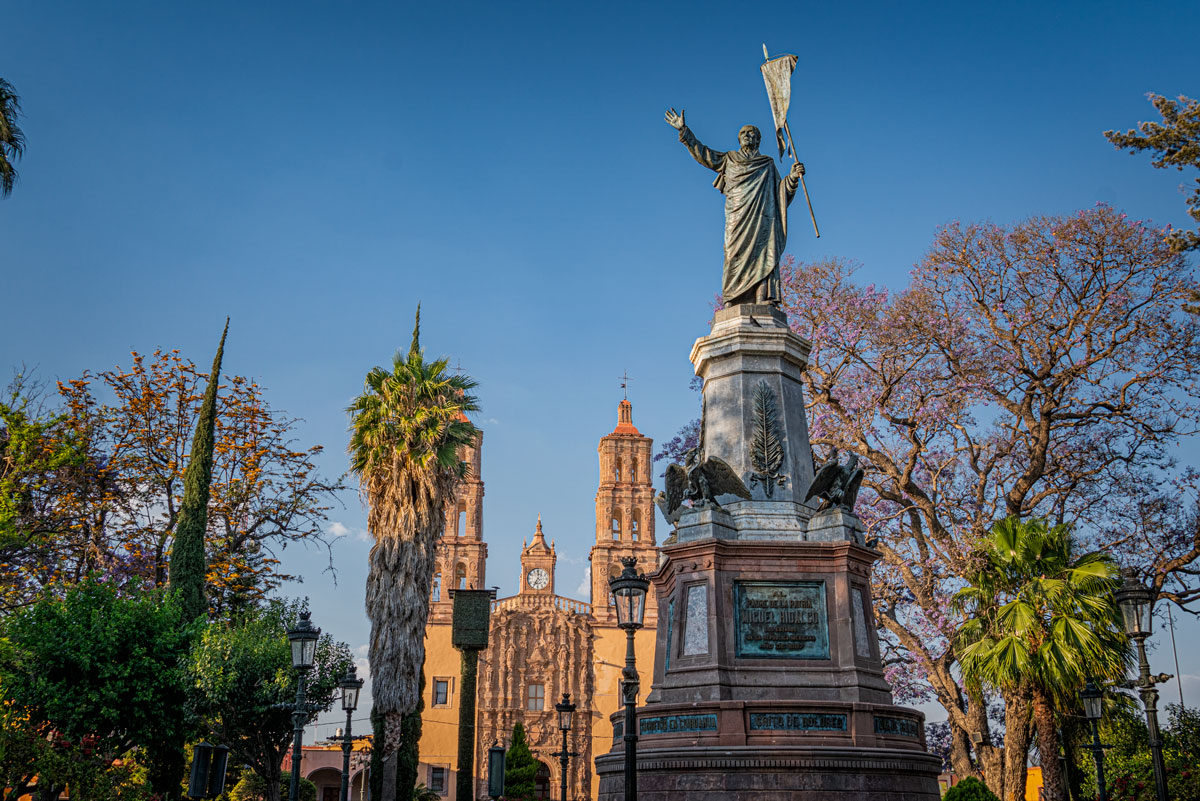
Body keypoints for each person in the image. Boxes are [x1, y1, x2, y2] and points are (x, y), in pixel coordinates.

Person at [665, 108, 805, 306]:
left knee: (763, 252)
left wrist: (792, 177)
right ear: (739, 139)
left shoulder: (767, 164)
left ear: (758, 140)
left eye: (752, 133)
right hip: (737, 215)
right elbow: (704, 154)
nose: (747, 136)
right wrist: (684, 132)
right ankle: (732, 298)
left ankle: (761, 297)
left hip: (762, 217)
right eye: (743, 133)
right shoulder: (729, 159)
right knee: (733, 255)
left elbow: (779, 193)